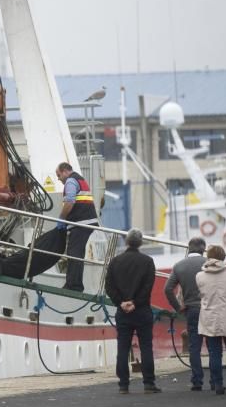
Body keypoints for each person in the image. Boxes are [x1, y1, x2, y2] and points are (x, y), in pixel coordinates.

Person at [105, 228, 161, 394]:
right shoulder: (148, 261)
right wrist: (135, 302)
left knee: (123, 347)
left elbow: (109, 286)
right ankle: (149, 383)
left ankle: (123, 384)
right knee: (146, 346)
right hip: (142, 310)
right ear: (141, 243)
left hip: (123, 312)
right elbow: (148, 287)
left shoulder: (115, 262)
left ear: (127, 242)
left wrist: (121, 303)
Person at [196, 245, 226, 395]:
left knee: (215, 353)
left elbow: (201, 294)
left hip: (210, 317)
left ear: (208, 257)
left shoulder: (200, 276)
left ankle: (218, 384)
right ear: (223, 256)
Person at [164, 237, 207, 390]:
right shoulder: (209, 263)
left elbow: (168, 289)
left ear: (189, 248)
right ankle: (217, 381)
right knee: (213, 345)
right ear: (203, 249)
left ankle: (197, 381)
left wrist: (178, 307)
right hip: (210, 309)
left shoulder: (179, 266)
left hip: (191, 310)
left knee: (194, 346)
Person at [54, 162, 98, 291]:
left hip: (81, 223)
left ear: (65, 172)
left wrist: (61, 218)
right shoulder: (80, 179)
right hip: (87, 222)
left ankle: (73, 285)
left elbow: (70, 201)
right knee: (77, 253)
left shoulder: (71, 181)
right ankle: (75, 284)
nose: (58, 178)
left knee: (74, 254)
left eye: (58, 175)